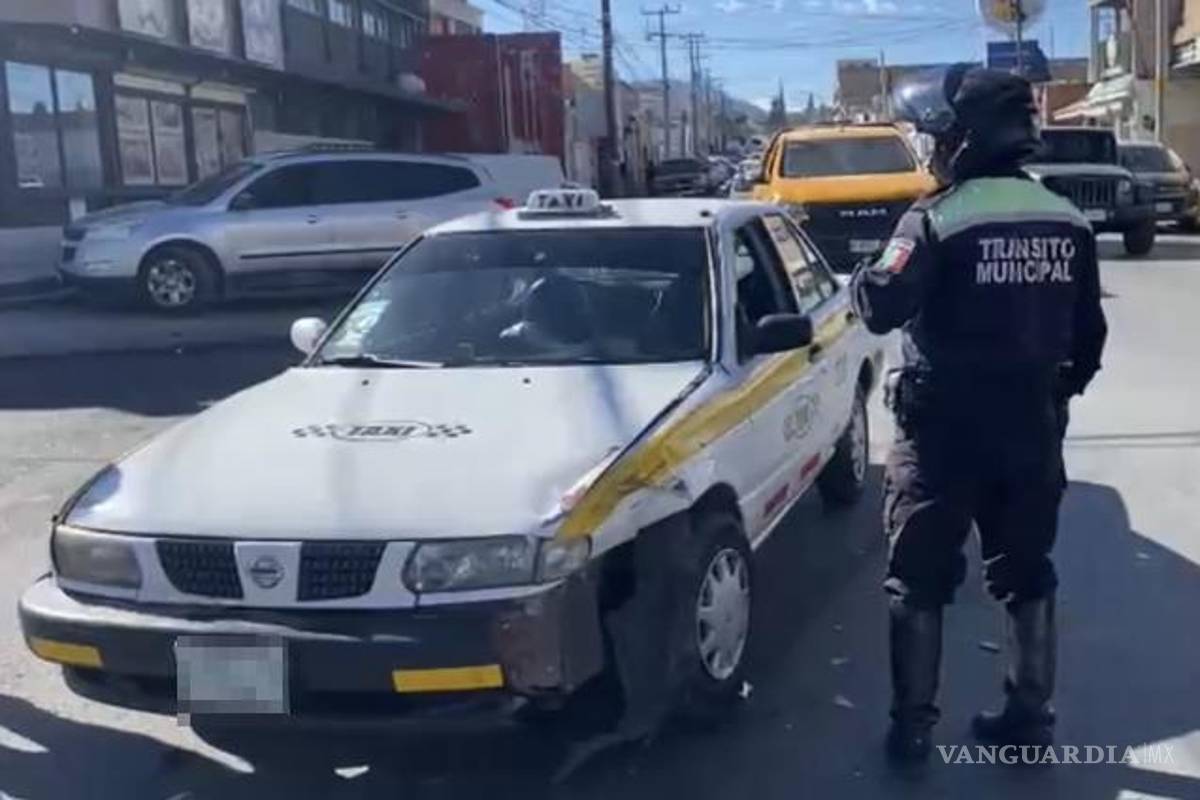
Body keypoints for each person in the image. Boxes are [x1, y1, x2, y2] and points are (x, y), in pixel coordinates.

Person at [850, 65, 1108, 764]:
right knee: (1026, 572)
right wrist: (1049, 397)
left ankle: (912, 730)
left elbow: (881, 307)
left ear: (962, 140)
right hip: (1030, 430)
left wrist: (865, 270)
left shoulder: (937, 217)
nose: (932, 149)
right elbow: (1089, 340)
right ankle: (1029, 714)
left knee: (918, 579)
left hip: (941, 434)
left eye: (937, 137)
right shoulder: (1066, 218)